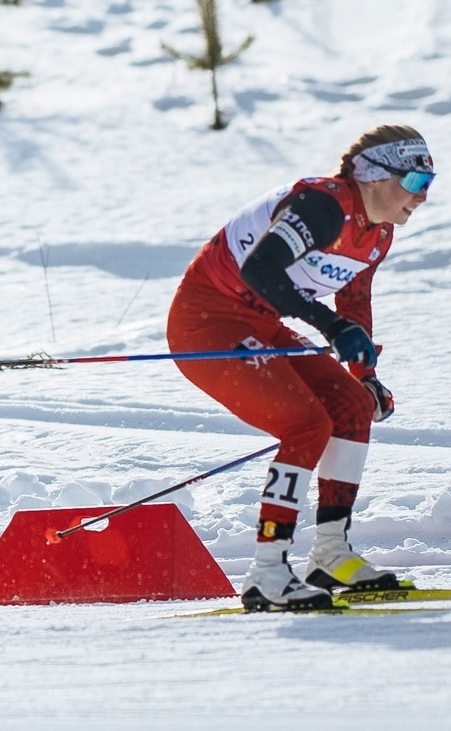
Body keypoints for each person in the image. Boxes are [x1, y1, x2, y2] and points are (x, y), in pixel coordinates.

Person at [169, 124, 433, 611]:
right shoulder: (322, 204)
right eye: (415, 183)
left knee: (351, 407)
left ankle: (331, 555)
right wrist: (330, 327)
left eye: (429, 185)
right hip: (207, 324)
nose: (422, 197)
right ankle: (266, 572)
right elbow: (261, 270)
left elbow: (353, 297)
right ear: (375, 176)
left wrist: (366, 376)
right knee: (307, 422)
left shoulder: (378, 234)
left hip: (260, 321)